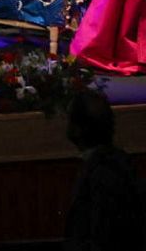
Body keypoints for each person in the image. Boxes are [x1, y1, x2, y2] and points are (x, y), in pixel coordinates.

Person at [63, 90, 146, 251]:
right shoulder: (118, 164)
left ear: (78, 129)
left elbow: (102, 236)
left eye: (69, 120)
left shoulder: (103, 175)